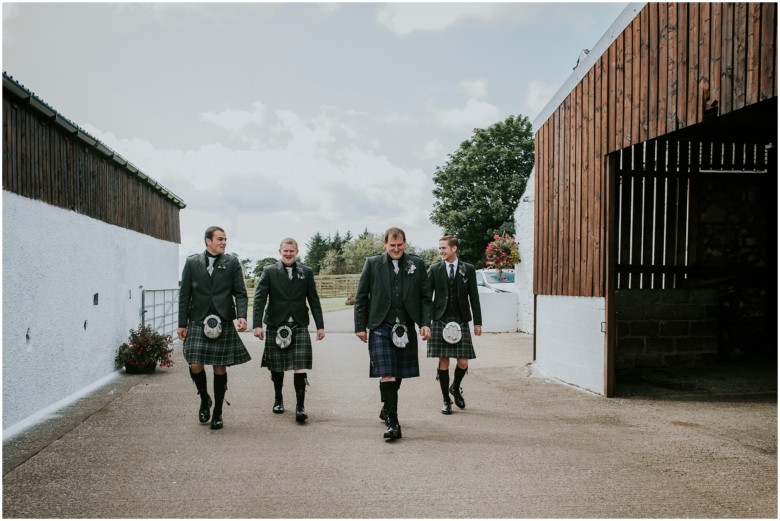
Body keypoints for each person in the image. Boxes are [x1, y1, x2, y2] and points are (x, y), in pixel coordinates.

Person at [354, 227, 431, 441]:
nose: (396, 249)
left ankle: (387, 407)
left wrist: (425, 323)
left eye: (399, 245)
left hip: (405, 325)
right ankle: (393, 423)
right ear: (384, 244)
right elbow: (361, 297)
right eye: (392, 245)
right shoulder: (372, 264)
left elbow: (425, 297)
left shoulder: (417, 264)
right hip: (380, 325)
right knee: (386, 372)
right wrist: (360, 326)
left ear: (405, 243)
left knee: (397, 373)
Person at [178, 226, 251, 430]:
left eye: (225, 239)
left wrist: (242, 316)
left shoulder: (232, 262)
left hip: (224, 318)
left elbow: (241, 292)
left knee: (220, 367)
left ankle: (218, 412)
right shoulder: (192, 262)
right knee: (195, 364)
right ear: (208, 241)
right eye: (220, 239)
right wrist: (182, 323)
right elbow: (185, 295)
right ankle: (204, 399)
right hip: (198, 320)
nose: (224, 242)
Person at [253, 238, 325, 423]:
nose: (288, 254)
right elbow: (260, 299)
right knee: (277, 366)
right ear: (280, 251)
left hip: (299, 323)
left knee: (299, 365)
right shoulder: (269, 271)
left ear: (297, 251)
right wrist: (257, 324)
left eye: (291, 251)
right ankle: (278, 398)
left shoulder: (306, 272)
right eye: (285, 251)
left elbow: (314, 300)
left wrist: (320, 326)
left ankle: (300, 407)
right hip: (276, 323)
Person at [426, 235, 482, 414]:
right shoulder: (434, 269)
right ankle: (445, 400)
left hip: (461, 318)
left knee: (463, 361)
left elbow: (474, 297)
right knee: (443, 361)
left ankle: (455, 387)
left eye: (444, 248)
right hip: (441, 319)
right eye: (440, 248)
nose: (441, 251)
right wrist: (425, 322)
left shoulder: (469, 269)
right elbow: (427, 298)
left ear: (454, 248)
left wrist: (477, 322)